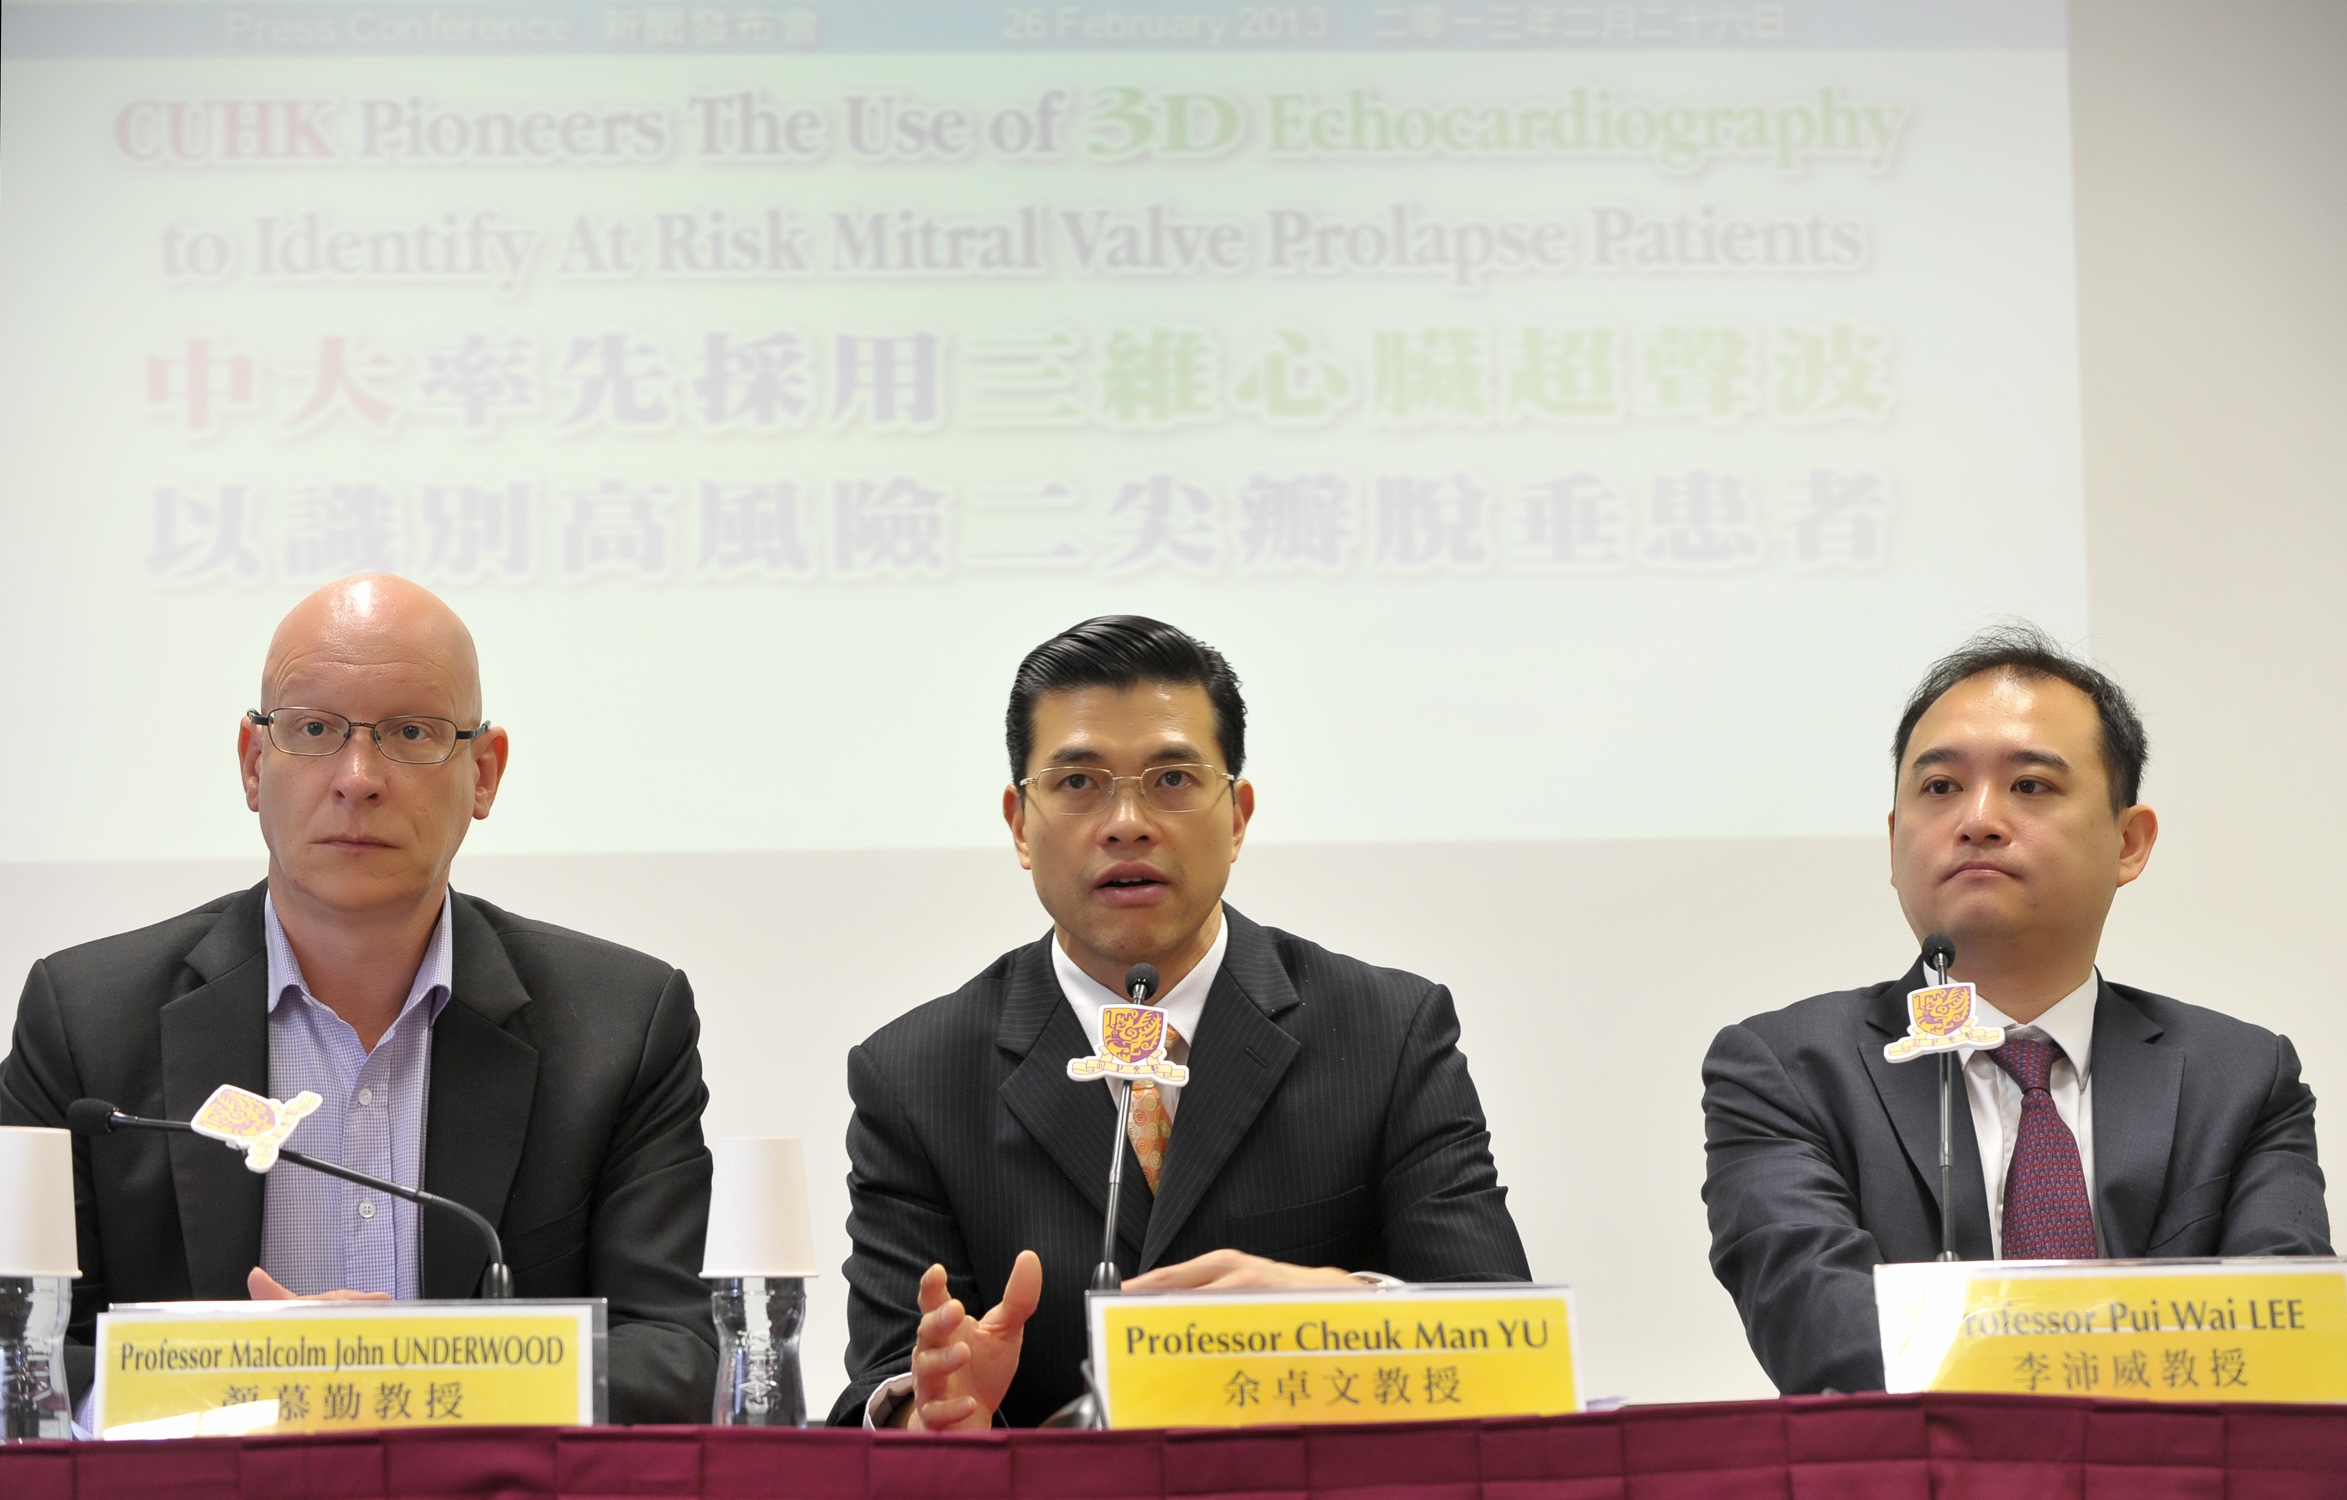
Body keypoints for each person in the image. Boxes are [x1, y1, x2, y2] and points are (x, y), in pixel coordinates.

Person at [0, 575, 717, 1424]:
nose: (359, 777)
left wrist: (397, 1372)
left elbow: (674, 1356)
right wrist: (262, 1377)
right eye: (313, 730)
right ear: (252, 763)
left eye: (411, 732)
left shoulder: (621, 1025)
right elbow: (19, 1350)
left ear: (483, 775)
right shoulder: (85, 1020)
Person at [832, 615, 1528, 1429]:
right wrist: (931, 1417)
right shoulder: (916, 1074)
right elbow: (888, 1378)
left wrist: (1340, 1303)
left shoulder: (1387, 1032)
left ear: (1237, 816)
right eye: (1078, 783)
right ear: (1020, 826)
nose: (1126, 821)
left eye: (1170, 779)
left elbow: (1507, 1348)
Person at [1702, 624, 2329, 1395]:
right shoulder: (1788, 1070)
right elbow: (1824, 1335)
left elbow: (2282, 1336)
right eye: (1939, 788)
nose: (1977, 819)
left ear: (2129, 843)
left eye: (2029, 785)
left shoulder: (2240, 1077)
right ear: (1895, 844)